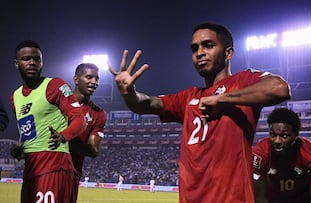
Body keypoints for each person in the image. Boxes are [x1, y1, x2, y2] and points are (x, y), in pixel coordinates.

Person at [109, 23, 291, 202]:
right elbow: (146, 104)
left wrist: (222, 99)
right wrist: (129, 93)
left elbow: (280, 88)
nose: (199, 52)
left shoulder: (243, 81)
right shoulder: (188, 97)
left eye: (208, 45)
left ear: (229, 53)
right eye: (194, 48)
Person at [10, 40, 86, 203]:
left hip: (53, 163)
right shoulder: (15, 97)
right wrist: (19, 148)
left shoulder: (54, 85)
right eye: (26, 59)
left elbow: (80, 120)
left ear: (42, 62)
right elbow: (27, 132)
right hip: (30, 167)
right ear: (16, 64)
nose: (32, 62)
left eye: (37, 59)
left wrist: (63, 136)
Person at [252, 108, 311, 203]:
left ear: (296, 135)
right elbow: (259, 198)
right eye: (273, 135)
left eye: (284, 136)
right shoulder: (260, 154)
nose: (277, 141)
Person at [68, 63, 106, 202]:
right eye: (89, 77)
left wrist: (63, 140)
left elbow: (93, 150)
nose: (94, 82)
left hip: (71, 176)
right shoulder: (56, 103)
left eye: (97, 79)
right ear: (76, 79)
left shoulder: (98, 114)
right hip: (45, 171)